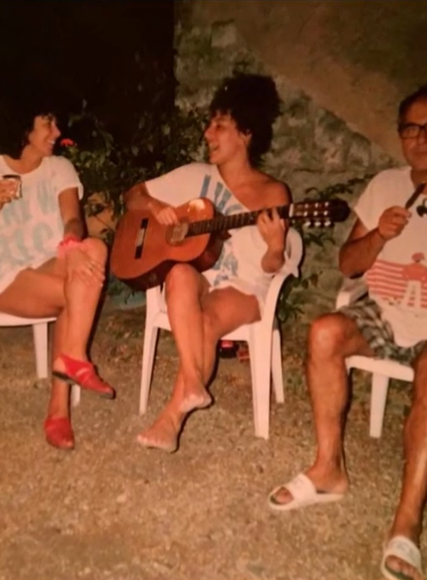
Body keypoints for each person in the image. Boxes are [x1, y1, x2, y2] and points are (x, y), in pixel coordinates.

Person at [268, 82, 427, 580]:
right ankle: (329, 468)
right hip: (388, 310)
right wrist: (378, 235)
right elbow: (349, 265)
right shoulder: (388, 185)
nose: (420, 138)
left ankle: (407, 523)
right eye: (410, 129)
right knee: (325, 331)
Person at [123, 73, 290, 452]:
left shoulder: (273, 192)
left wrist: (276, 248)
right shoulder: (195, 177)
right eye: (209, 124)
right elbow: (132, 195)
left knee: (208, 319)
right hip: (201, 273)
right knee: (180, 272)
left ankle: (170, 419)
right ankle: (195, 381)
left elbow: (271, 267)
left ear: (246, 133)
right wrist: (155, 206)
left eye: (219, 125)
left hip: (244, 287)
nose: (207, 134)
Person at [0, 106, 115, 451]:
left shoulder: (59, 167)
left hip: (45, 261)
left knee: (94, 248)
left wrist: (72, 245)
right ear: (23, 126)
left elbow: (73, 220)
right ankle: (60, 402)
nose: (57, 132)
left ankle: (69, 358)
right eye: (48, 123)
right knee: (75, 293)